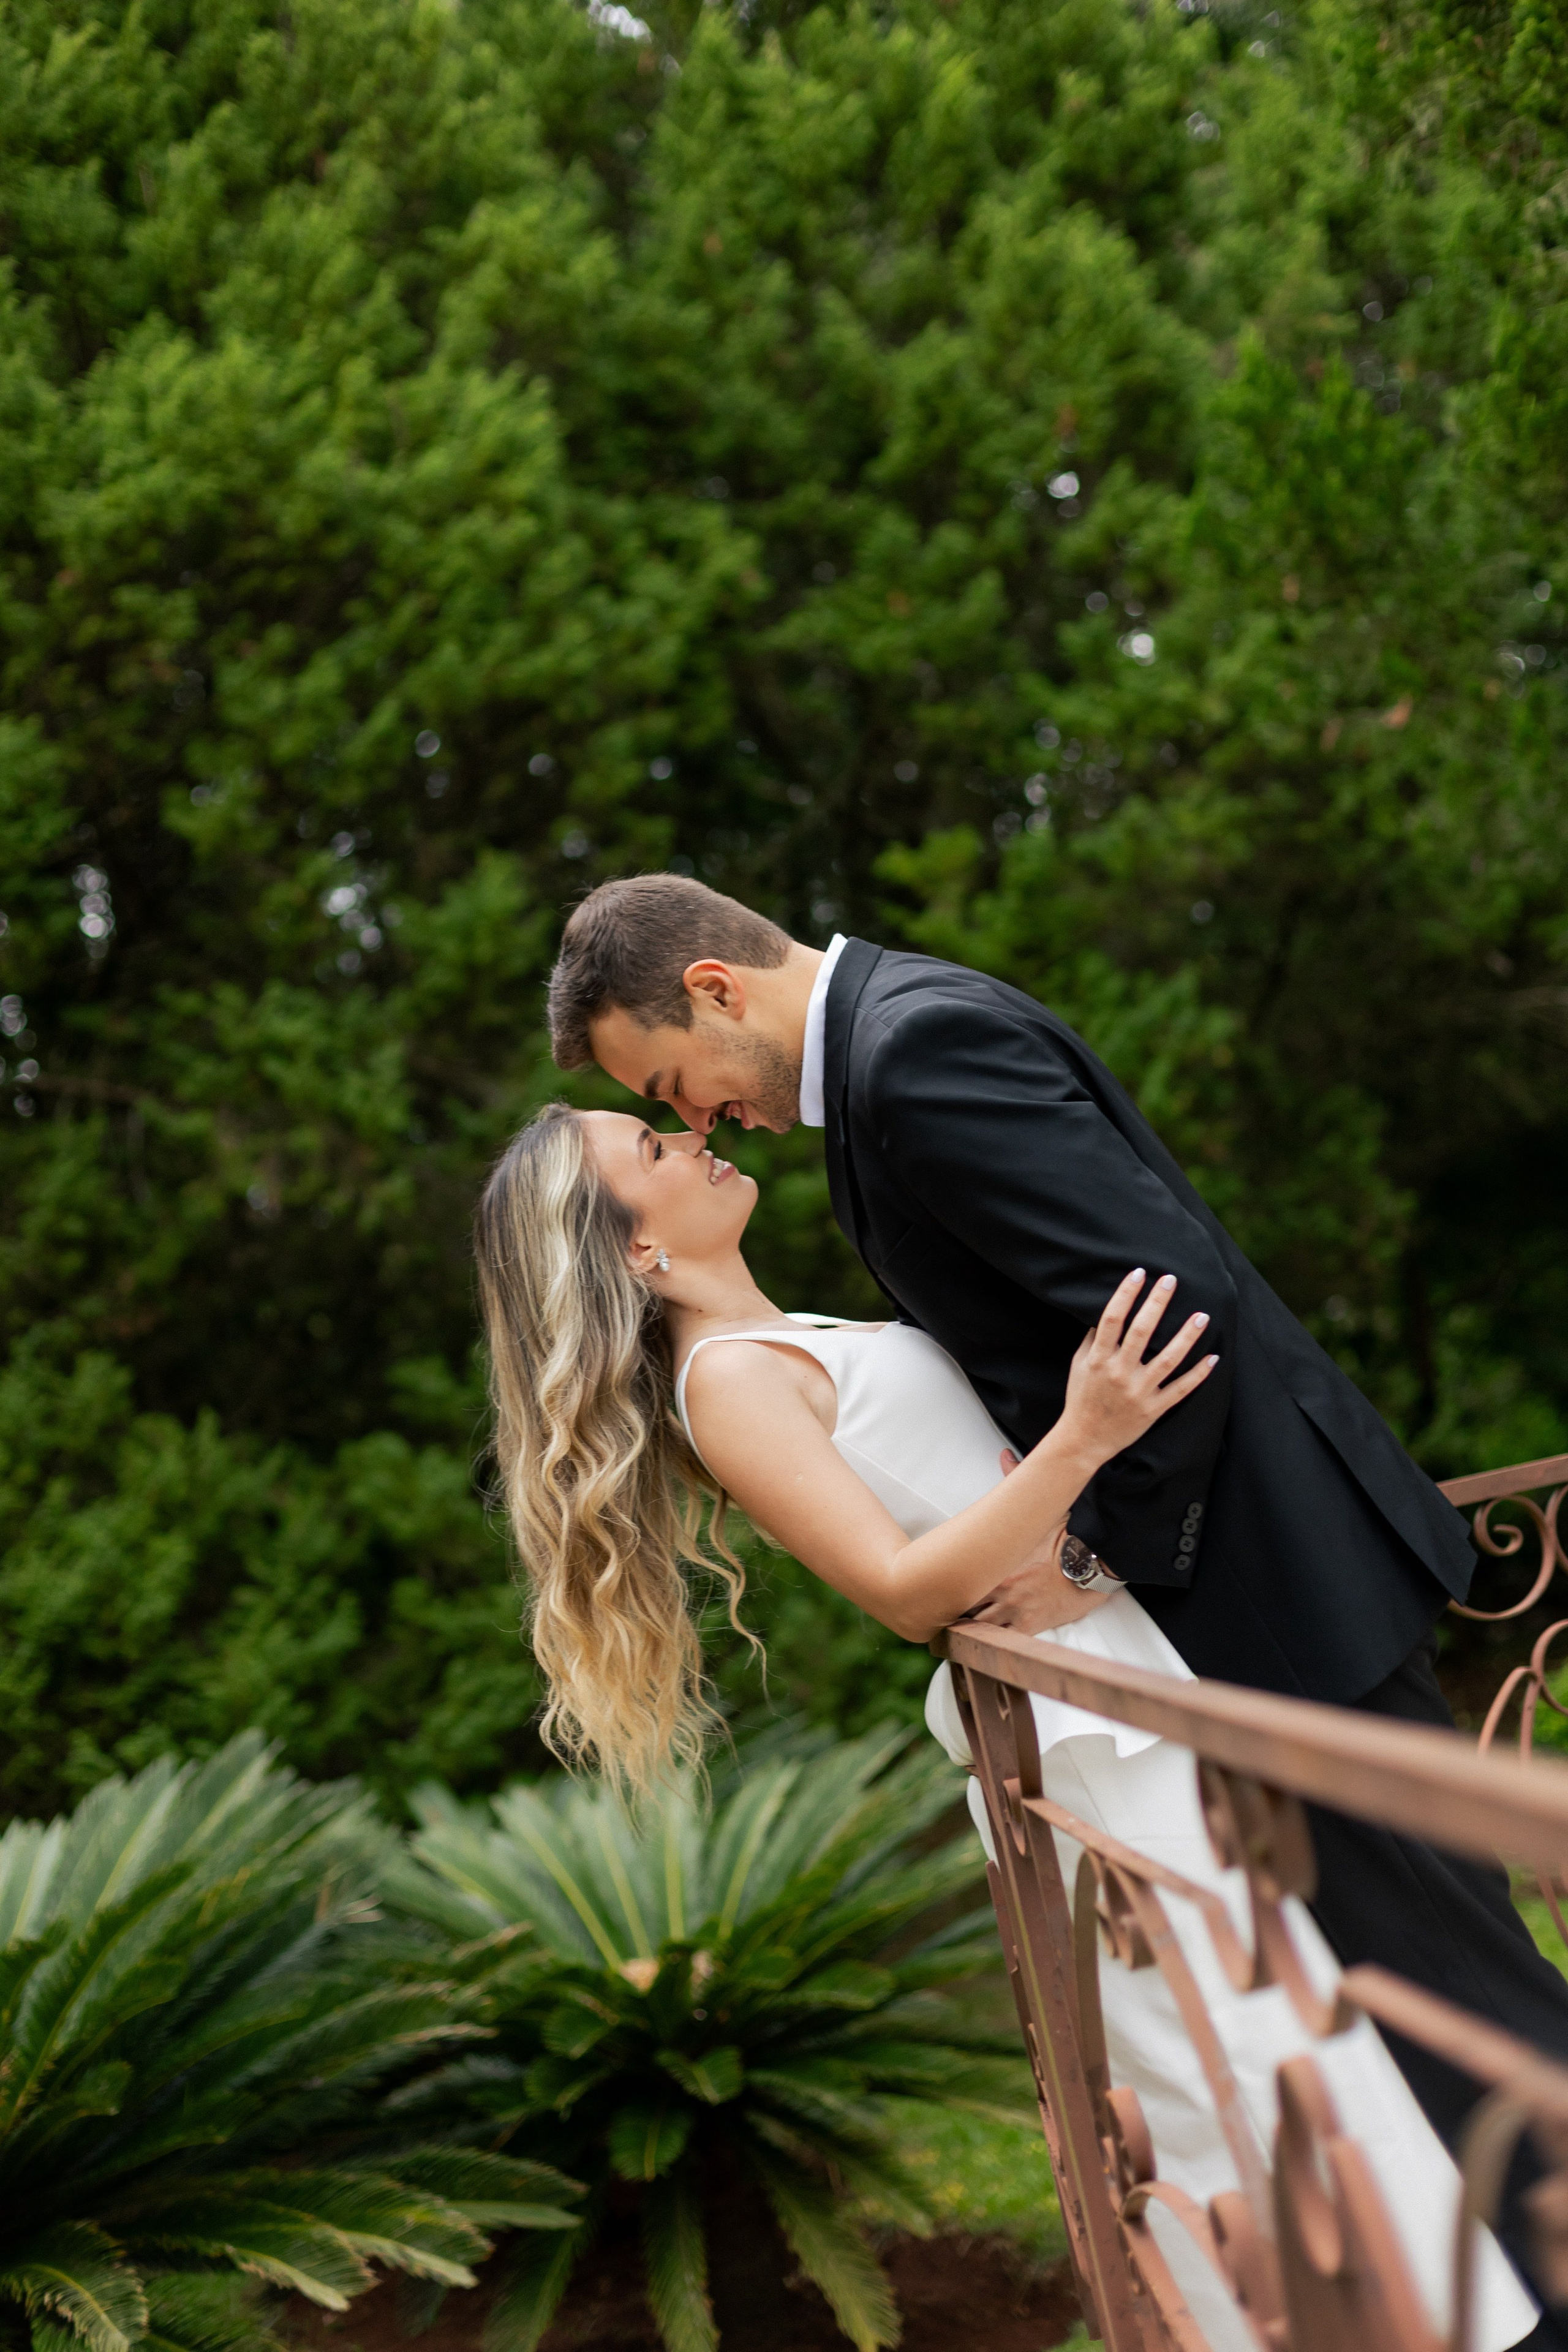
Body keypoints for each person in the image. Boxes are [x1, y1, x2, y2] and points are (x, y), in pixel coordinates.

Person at [543, 869, 1568, 2340]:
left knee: (1454, 2001)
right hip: (1205, 1643)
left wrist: (1099, 1550)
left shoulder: (910, 1054)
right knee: (1400, 2018)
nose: (699, 1118)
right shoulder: (896, 1044)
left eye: (670, 1085)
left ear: (713, 989)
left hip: (1264, 1600)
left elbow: (1165, 1298)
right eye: (659, 1116)